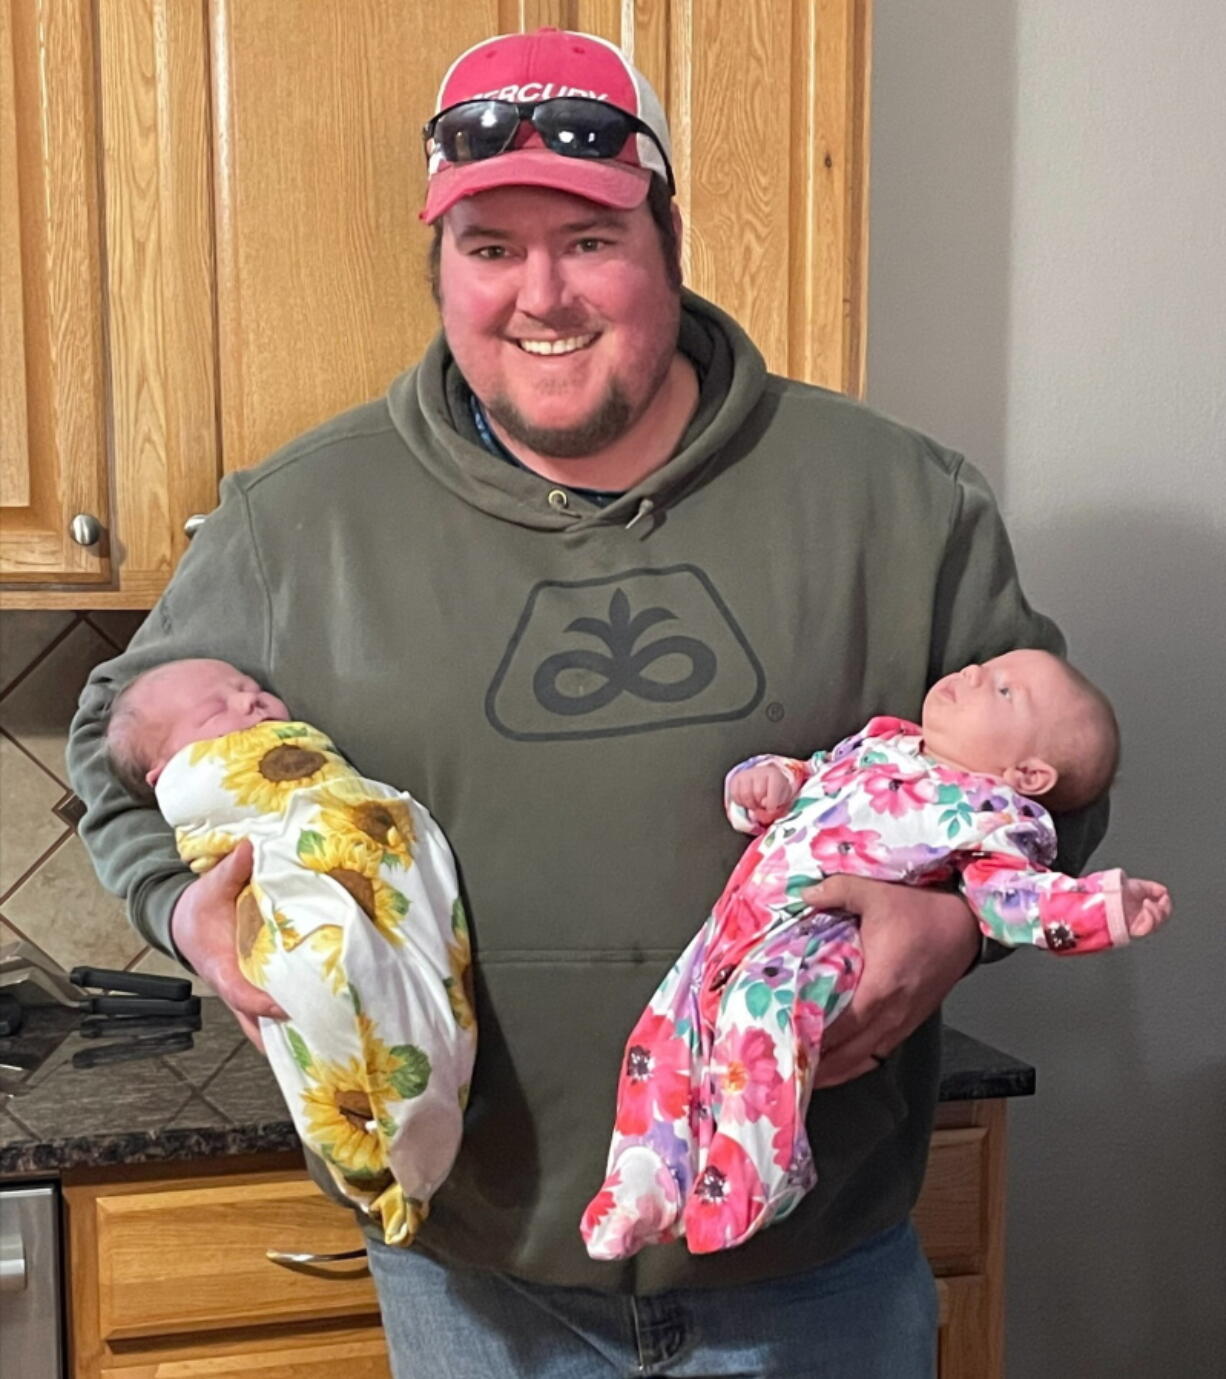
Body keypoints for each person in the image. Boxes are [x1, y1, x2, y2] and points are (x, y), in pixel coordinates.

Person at [69, 26, 1110, 1378]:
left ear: (665, 241)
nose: (538, 293)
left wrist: (959, 926)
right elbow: (114, 742)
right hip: (475, 1285)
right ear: (439, 265)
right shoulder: (297, 521)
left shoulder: (896, 500)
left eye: (588, 239)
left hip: (815, 1276)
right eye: (488, 246)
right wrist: (189, 919)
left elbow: (1056, 787)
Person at [581, 649, 1169, 1260]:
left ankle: (760, 1172)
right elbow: (810, 776)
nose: (972, 674)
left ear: (1029, 774)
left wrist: (1103, 906)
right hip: (742, 924)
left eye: (1002, 691)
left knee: (759, 1024)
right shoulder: (884, 743)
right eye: (986, 667)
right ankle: (644, 1180)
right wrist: (767, 782)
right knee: (660, 1040)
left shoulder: (993, 817)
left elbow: (1016, 901)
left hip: (823, 940)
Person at [103, 657, 476, 1247]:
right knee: (338, 1005)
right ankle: (386, 1162)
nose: (250, 704)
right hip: (297, 911)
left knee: (421, 1009)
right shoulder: (203, 774)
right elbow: (114, 740)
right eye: (215, 709)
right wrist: (178, 911)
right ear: (164, 772)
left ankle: (410, 1144)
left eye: (252, 691)